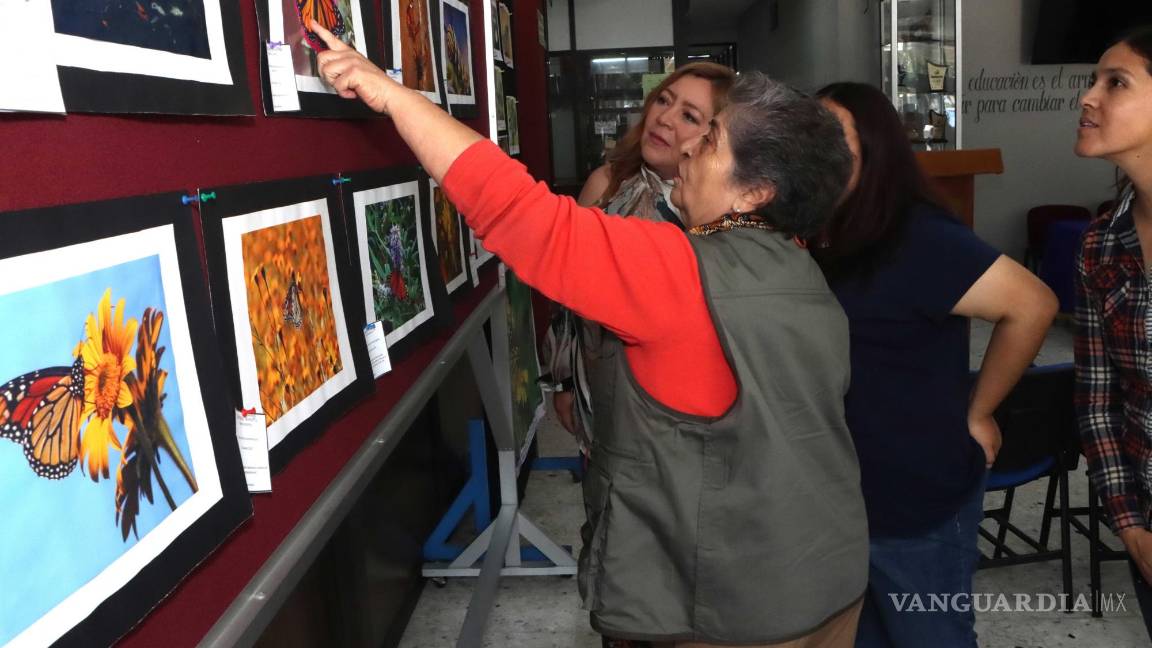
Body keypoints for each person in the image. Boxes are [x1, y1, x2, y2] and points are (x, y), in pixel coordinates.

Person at [313, 23, 868, 647]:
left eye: (708, 139)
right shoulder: (796, 263)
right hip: (829, 577)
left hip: (740, 609)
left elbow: (523, 216)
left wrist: (392, 96)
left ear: (757, 190)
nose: (686, 149)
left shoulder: (681, 272)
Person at [812, 82, 1057, 648]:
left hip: (916, 502)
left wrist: (980, 409)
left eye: (836, 139)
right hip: (847, 502)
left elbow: (1033, 305)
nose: (819, 152)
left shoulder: (916, 235)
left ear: (876, 152)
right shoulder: (824, 235)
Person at [545, 62, 735, 463]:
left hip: (686, 406)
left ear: (715, 136)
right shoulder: (608, 183)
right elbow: (569, 293)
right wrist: (563, 381)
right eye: (663, 100)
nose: (664, 118)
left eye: (689, 115)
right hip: (601, 386)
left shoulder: (725, 210)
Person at [1073, 25, 1152, 641]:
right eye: (1094, 80)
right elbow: (1100, 399)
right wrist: (1129, 525)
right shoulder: (1103, 241)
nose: (1088, 97)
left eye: (1115, 82)